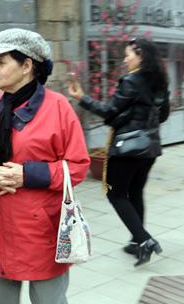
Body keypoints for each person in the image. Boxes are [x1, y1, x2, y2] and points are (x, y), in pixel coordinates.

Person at [0, 28, 90, 304]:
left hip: (42, 228)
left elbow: (78, 165)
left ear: (27, 66)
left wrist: (27, 174)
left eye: (2, 62)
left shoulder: (58, 107)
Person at [67, 38, 170, 266]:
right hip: (150, 148)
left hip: (127, 150)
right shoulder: (160, 81)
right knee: (135, 192)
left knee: (115, 194)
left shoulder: (131, 81)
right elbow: (162, 116)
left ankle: (145, 240)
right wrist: (131, 117)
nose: (125, 59)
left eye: (128, 54)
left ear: (140, 55)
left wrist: (81, 98)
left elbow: (110, 111)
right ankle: (136, 241)